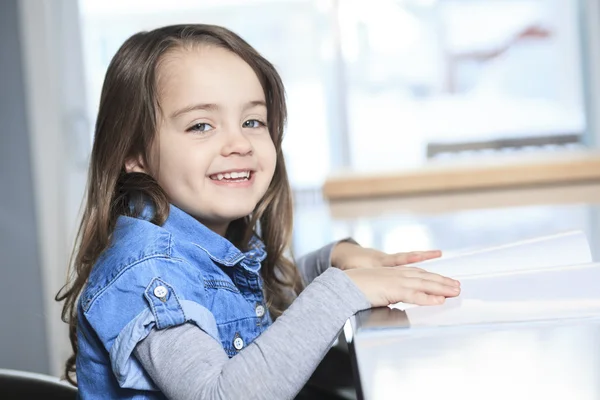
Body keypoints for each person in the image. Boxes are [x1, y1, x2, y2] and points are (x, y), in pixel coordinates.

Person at [56, 24, 461, 400]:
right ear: (134, 152)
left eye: (252, 120)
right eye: (201, 126)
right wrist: (342, 291)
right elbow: (221, 393)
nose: (240, 143)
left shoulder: (201, 238)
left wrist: (332, 260)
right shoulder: (146, 273)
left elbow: (249, 304)